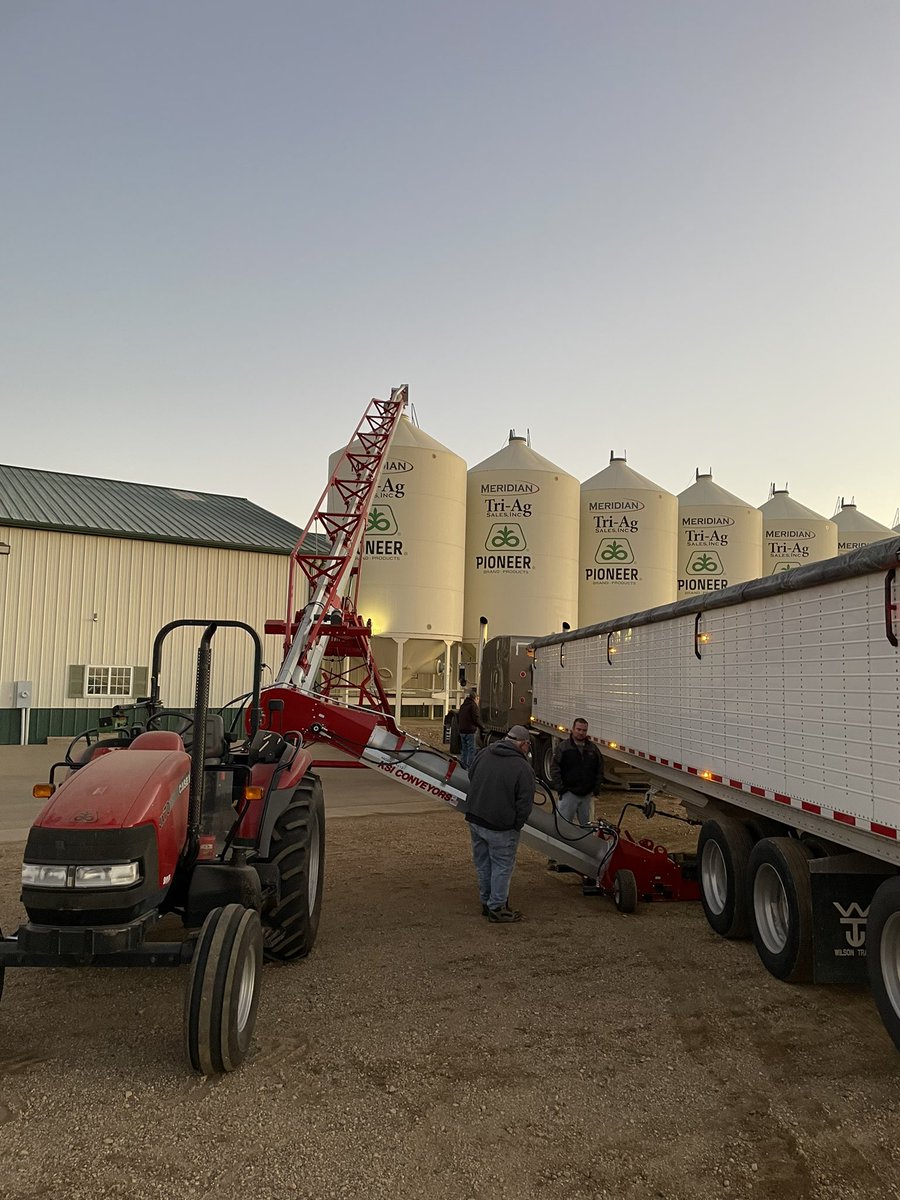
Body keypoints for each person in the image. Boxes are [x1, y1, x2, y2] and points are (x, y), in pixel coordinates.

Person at [465, 724, 535, 923]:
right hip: (501, 826)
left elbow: (471, 775)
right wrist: (517, 824)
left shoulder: (484, 753)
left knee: (483, 864)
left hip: (476, 818)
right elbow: (525, 802)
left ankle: (487, 902)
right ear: (523, 744)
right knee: (502, 866)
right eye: (528, 746)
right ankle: (497, 907)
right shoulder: (522, 767)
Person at [549, 717, 604, 828]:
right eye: (578, 729)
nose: (581, 733)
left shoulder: (593, 749)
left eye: (584, 730)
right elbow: (555, 768)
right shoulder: (563, 747)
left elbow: (600, 768)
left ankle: (586, 845)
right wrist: (560, 788)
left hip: (586, 796)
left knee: (587, 829)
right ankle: (562, 845)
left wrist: (596, 788)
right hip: (568, 794)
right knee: (562, 827)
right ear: (573, 729)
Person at [457, 688, 484, 770]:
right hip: (470, 731)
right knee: (471, 750)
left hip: (462, 731)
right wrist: (482, 727)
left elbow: (459, 717)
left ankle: (463, 766)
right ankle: (470, 767)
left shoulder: (463, 705)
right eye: (478, 699)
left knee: (464, 750)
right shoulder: (473, 706)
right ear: (475, 698)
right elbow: (476, 718)